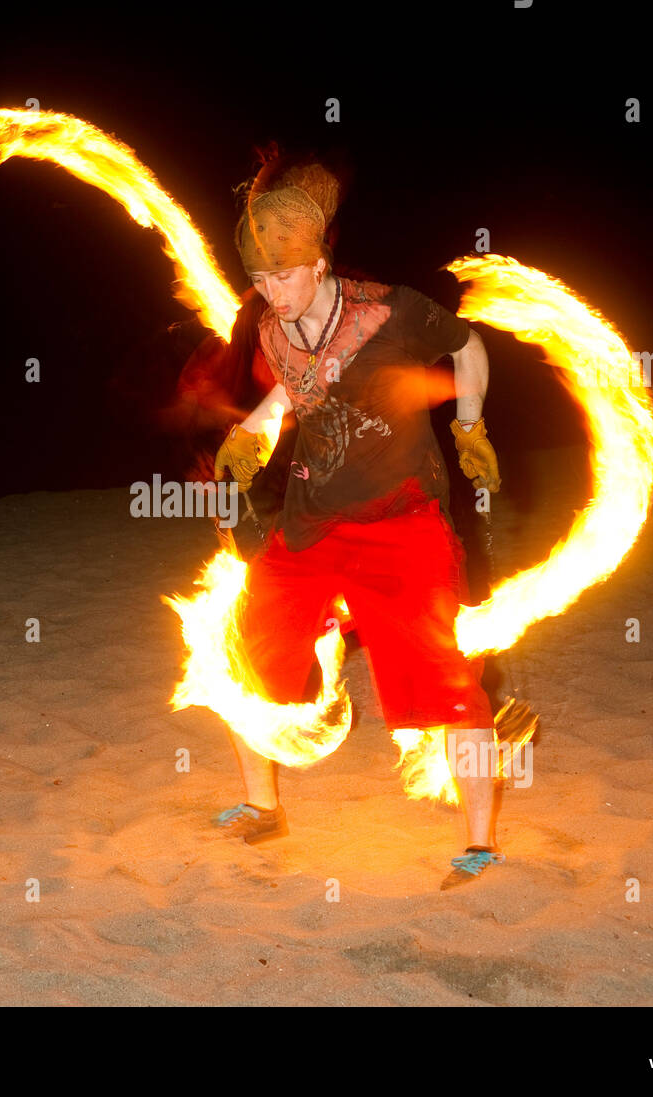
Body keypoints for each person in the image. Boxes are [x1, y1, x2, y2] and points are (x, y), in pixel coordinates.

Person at [211, 155, 505, 889]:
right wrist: (254, 429)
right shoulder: (274, 327)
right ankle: (260, 804)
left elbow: (469, 345)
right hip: (314, 520)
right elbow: (293, 389)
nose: (271, 294)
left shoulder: (393, 310)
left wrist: (469, 427)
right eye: (258, 281)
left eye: (284, 276)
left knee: (445, 678)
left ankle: (479, 843)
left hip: (401, 517)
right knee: (246, 649)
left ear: (318, 260)